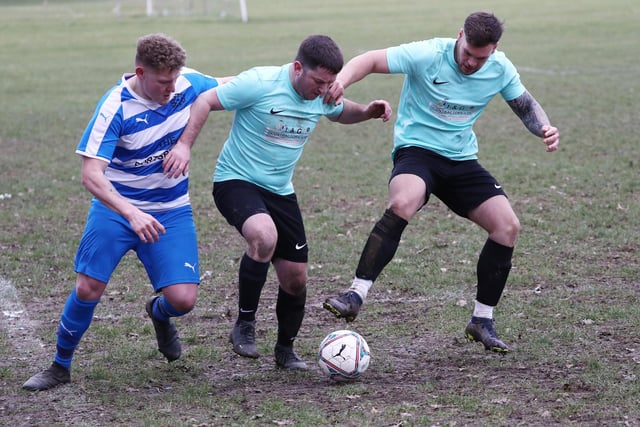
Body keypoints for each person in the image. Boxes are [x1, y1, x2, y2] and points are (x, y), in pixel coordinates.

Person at [322, 11, 560, 353]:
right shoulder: (428, 54)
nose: (472, 63)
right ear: (459, 36)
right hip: (417, 152)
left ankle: (482, 321)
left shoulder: (499, 67)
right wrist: (343, 80)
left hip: (461, 160)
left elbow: (524, 105)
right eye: (467, 53)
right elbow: (371, 60)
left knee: (507, 226)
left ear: (493, 50)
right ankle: (355, 294)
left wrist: (544, 128)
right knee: (403, 202)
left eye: (482, 57)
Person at [23, 33, 232, 391]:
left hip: (170, 211)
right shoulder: (114, 107)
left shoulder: (186, 83)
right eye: (163, 82)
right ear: (140, 72)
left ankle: (158, 314)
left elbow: (237, 85)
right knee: (88, 287)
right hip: (116, 211)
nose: (171, 89)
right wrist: (131, 213)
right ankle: (60, 365)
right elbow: (91, 175)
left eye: (175, 80)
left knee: (182, 300)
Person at [177, 34, 392, 369]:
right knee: (264, 236)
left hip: (280, 190)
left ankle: (285, 350)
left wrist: (366, 111)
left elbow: (337, 111)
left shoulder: (321, 92)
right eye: (318, 81)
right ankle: (244, 325)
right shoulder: (259, 83)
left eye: (329, 83)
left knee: (296, 278)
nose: (323, 90)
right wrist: (184, 146)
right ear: (296, 68)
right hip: (236, 181)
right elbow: (205, 100)